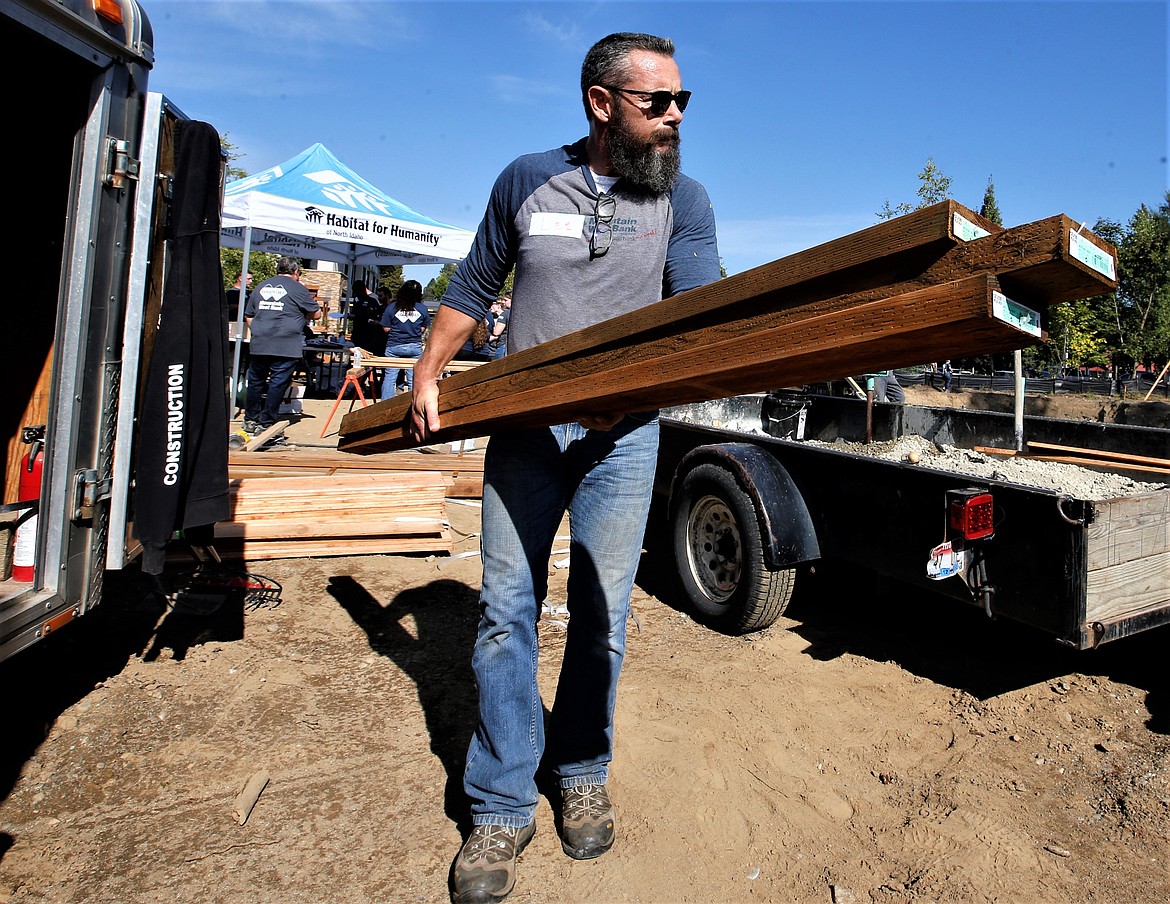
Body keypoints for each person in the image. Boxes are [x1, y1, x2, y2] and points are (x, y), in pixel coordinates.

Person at [408, 32, 719, 904]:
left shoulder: (683, 201)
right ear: (599, 103)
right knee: (506, 612)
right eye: (657, 102)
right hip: (524, 435)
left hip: (624, 440)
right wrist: (429, 372)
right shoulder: (525, 179)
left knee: (601, 613)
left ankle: (581, 765)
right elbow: (473, 289)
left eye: (681, 102)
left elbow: (697, 319)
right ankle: (501, 803)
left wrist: (635, 395)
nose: (674, 118)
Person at [243, 257, 320, 433]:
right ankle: (266, 422)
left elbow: (249, 314)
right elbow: (316, 314)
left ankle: (250, 419)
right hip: (286, 345)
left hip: (260, 343)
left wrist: (258, 330)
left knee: (255, 382)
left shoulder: (261, 286)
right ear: (295, 272)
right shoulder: (297, 288)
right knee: (277, 383)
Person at [379, 279, 430, 397]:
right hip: (414, 347)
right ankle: (413, 404)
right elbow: (423, 329)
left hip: (394, 346)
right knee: (413, 377)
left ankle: (386, 405)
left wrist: (397, 331)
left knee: (390, 377)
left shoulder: (392, 307)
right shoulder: (422, 309)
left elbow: (385, 328)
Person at [348, 279, 386, 354]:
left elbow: (374, 315)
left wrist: (356, 317)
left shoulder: (372, 300)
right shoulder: (357, 301)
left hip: (368, 333)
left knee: (367, 352)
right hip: (357, 332)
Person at [486, 292, 511, 360]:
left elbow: (497, 332)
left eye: (506, 300)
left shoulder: (505, 314)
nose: (503, 302)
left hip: (503, 346)